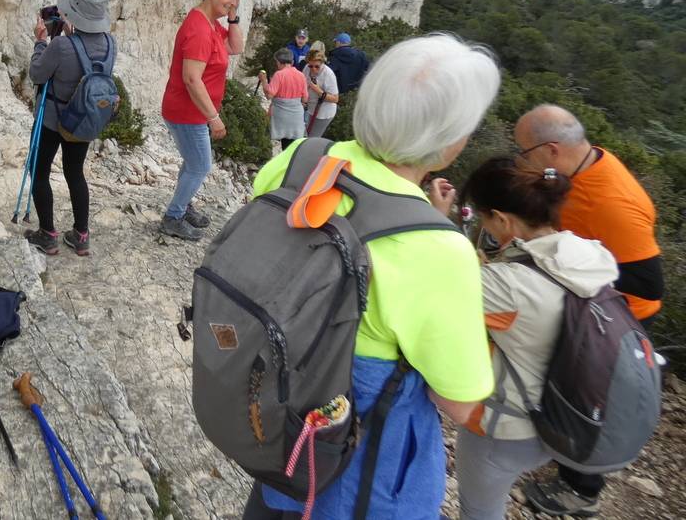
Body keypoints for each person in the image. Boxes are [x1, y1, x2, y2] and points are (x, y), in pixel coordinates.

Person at [243, 33, 500, 520]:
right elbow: (460, 403)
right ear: (448, 142)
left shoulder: (298, 160)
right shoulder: (438, 251)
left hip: (281, 435)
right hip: (355, 479)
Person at [513, 104, 662, 516]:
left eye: (525, 152)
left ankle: (580, 490)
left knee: (586, 394)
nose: (522, 161)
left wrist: (566, 260)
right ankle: (557, 449)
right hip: (587, 300)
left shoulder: (612, 202)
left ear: (553, 149)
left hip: (616, 317)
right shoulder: (575, 168)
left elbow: (649, 283)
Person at [455, 157, 618, 520]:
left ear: (502, 219)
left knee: (479, 510)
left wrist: (438, 221)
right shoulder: (589, 255)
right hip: (567, 418)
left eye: (485, 218)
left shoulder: (505, 285)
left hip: (506, 427)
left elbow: (440, 300)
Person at [25, 0, 115, 257]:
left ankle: (48, 235)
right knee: (74, 172)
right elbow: (85, 60)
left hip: (52, 119)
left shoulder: (62, 45)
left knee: (39, 171)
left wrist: (41, 42)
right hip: (83, 121)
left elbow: (37, 74)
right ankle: (80, 235)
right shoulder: (111, 43)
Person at [159, 0, 245, 241]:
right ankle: (173, 217)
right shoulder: (198, 28)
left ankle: (183, 206)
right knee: (200, 165)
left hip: (192, 111)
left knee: (193, 161)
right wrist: (213, 117)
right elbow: (192, 79)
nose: (233, 2)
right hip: (188, 111)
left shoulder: (211, 24)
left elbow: (236, 47)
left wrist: (233, 18)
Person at [259, 48, 307, 151]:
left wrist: (263, 81)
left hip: (282, 115)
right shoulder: (301, 75)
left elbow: (269, 95)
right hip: (297, 114)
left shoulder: (279, 75)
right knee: (293, 147)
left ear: (279, 62)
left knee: (285, 145)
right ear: (292, 61)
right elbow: (305, 98)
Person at [301, 46, 338, 138]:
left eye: (317, 66)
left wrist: (318, 91)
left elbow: (335, 99)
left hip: (324, 112)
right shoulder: (306, 68)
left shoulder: (328, 74)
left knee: (312, 138)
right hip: (310, 108)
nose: (313, 69)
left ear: (322, 63)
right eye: (311, 66)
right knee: (304, 135)